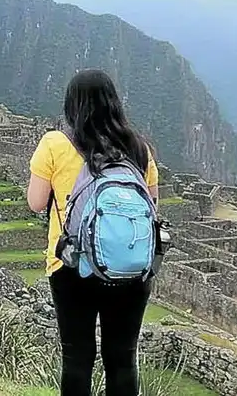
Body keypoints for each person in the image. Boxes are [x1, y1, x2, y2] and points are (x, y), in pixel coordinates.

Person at [26, 69, 159, 396]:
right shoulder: (139, 149)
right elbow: (153, 206)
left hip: (72, 265)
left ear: (72, 106)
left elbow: (36, 202)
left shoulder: (55, 143)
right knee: (123, 358)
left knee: (77, 357)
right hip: (130, 267)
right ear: (114, 103)